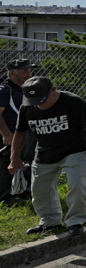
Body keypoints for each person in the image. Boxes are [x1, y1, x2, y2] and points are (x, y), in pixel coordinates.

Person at [8, 76, 86, 236]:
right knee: (39, 191)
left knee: (78, 185)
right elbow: (20, 132)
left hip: (74, 150)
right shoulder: (28, 107)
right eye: (34, 100)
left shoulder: (73, 102)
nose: (39, 104)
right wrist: (14, 158)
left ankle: (75, 222)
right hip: (45, 153)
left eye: (42, 99)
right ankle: (50, 222)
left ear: (53, 90)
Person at [0, 58, 37, 204]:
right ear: (12, 74)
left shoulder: (26, 88)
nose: (28, 74)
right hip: (10, 135)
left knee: (26, 162)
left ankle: (24, 191)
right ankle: (6, 197)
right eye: (24, 71)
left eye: (29, 71)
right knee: (7, 166)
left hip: (26, 134)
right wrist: (6, 134)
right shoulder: (5, 90)